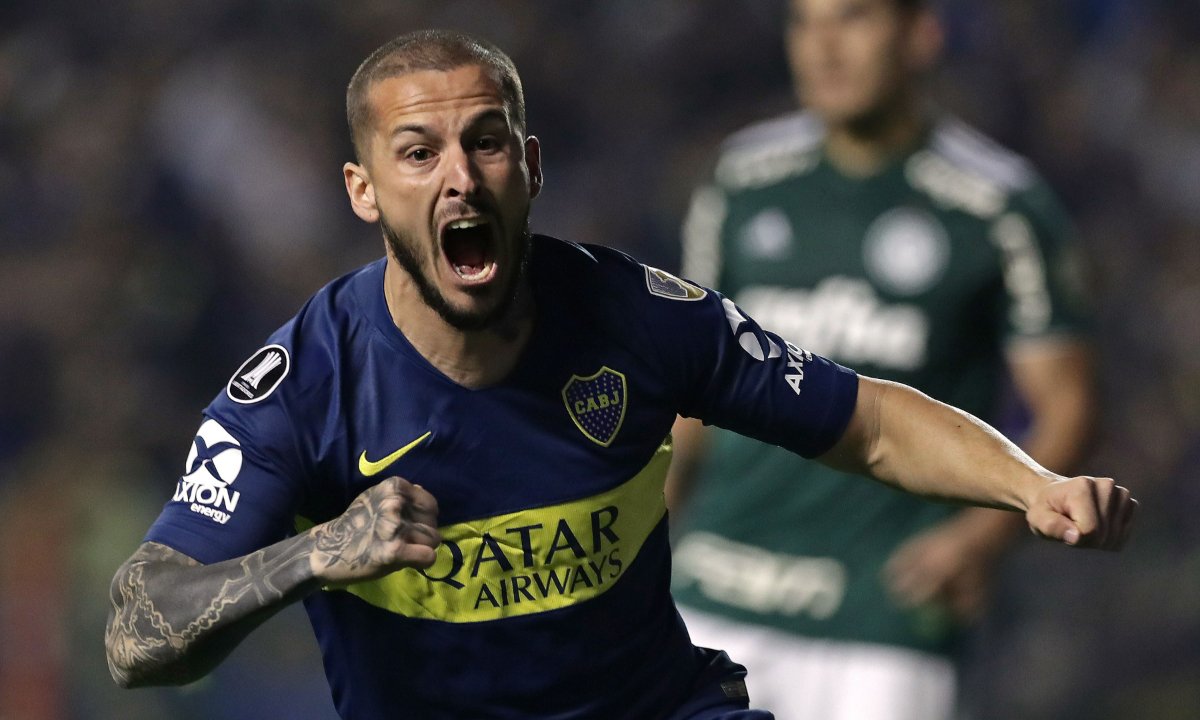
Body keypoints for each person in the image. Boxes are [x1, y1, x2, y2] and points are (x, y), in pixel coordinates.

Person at [104, 29, 1133, 720]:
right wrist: (315, 554)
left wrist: (1031, 485)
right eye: (418, 153)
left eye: (487, 142)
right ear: (363, 190)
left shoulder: (638, 316)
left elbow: (863, 422)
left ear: (532, 166)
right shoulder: (299, 389)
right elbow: (137, 633)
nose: (460, 175)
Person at [667, 1, 1097, 718]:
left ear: (922, 34)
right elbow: (693, 390)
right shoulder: (741, 180)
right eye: (805, 23)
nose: (823, 47)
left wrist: (980, 541)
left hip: (886, 613)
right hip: (718, 585)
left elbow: (1069, 404)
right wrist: (643, 533)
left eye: (853, 19)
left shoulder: (1000, 207)